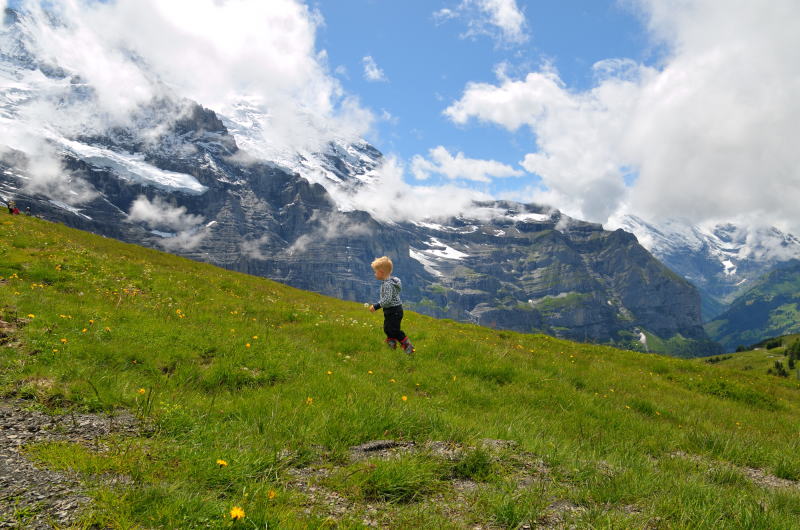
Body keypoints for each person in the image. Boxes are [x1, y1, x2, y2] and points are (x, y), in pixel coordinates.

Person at [369, 256, 415, 354]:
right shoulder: (392, 281)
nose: (375, 274)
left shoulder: (387, 284)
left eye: (375, 271)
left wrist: (376, 306)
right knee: (387, 328)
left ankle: (408, 346)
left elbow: (387, 299)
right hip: (393, 311)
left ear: (381, 272)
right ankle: (391, 344)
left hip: (394, 311)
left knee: (394, 330)